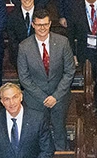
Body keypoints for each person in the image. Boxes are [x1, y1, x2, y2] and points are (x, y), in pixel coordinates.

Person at [16, 8, 75, 151]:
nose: (42, 28)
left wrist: (55, 96)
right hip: (35, 100)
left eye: (45, 24)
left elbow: (69, 71)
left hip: (59, 98)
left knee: (60, 132)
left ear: (50, 24)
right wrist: (43, 97)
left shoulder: (62, 42)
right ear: (33, 25)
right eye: (39, 24)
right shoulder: (24, 47)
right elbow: (24, 77)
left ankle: (62, 153)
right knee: (37, 135)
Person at [0, 82, 55, 158]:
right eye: (7, 99)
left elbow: (47, 150)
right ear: (2, 102)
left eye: (15, 97)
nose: (12, 103)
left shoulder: (38, 119)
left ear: (21, 97)